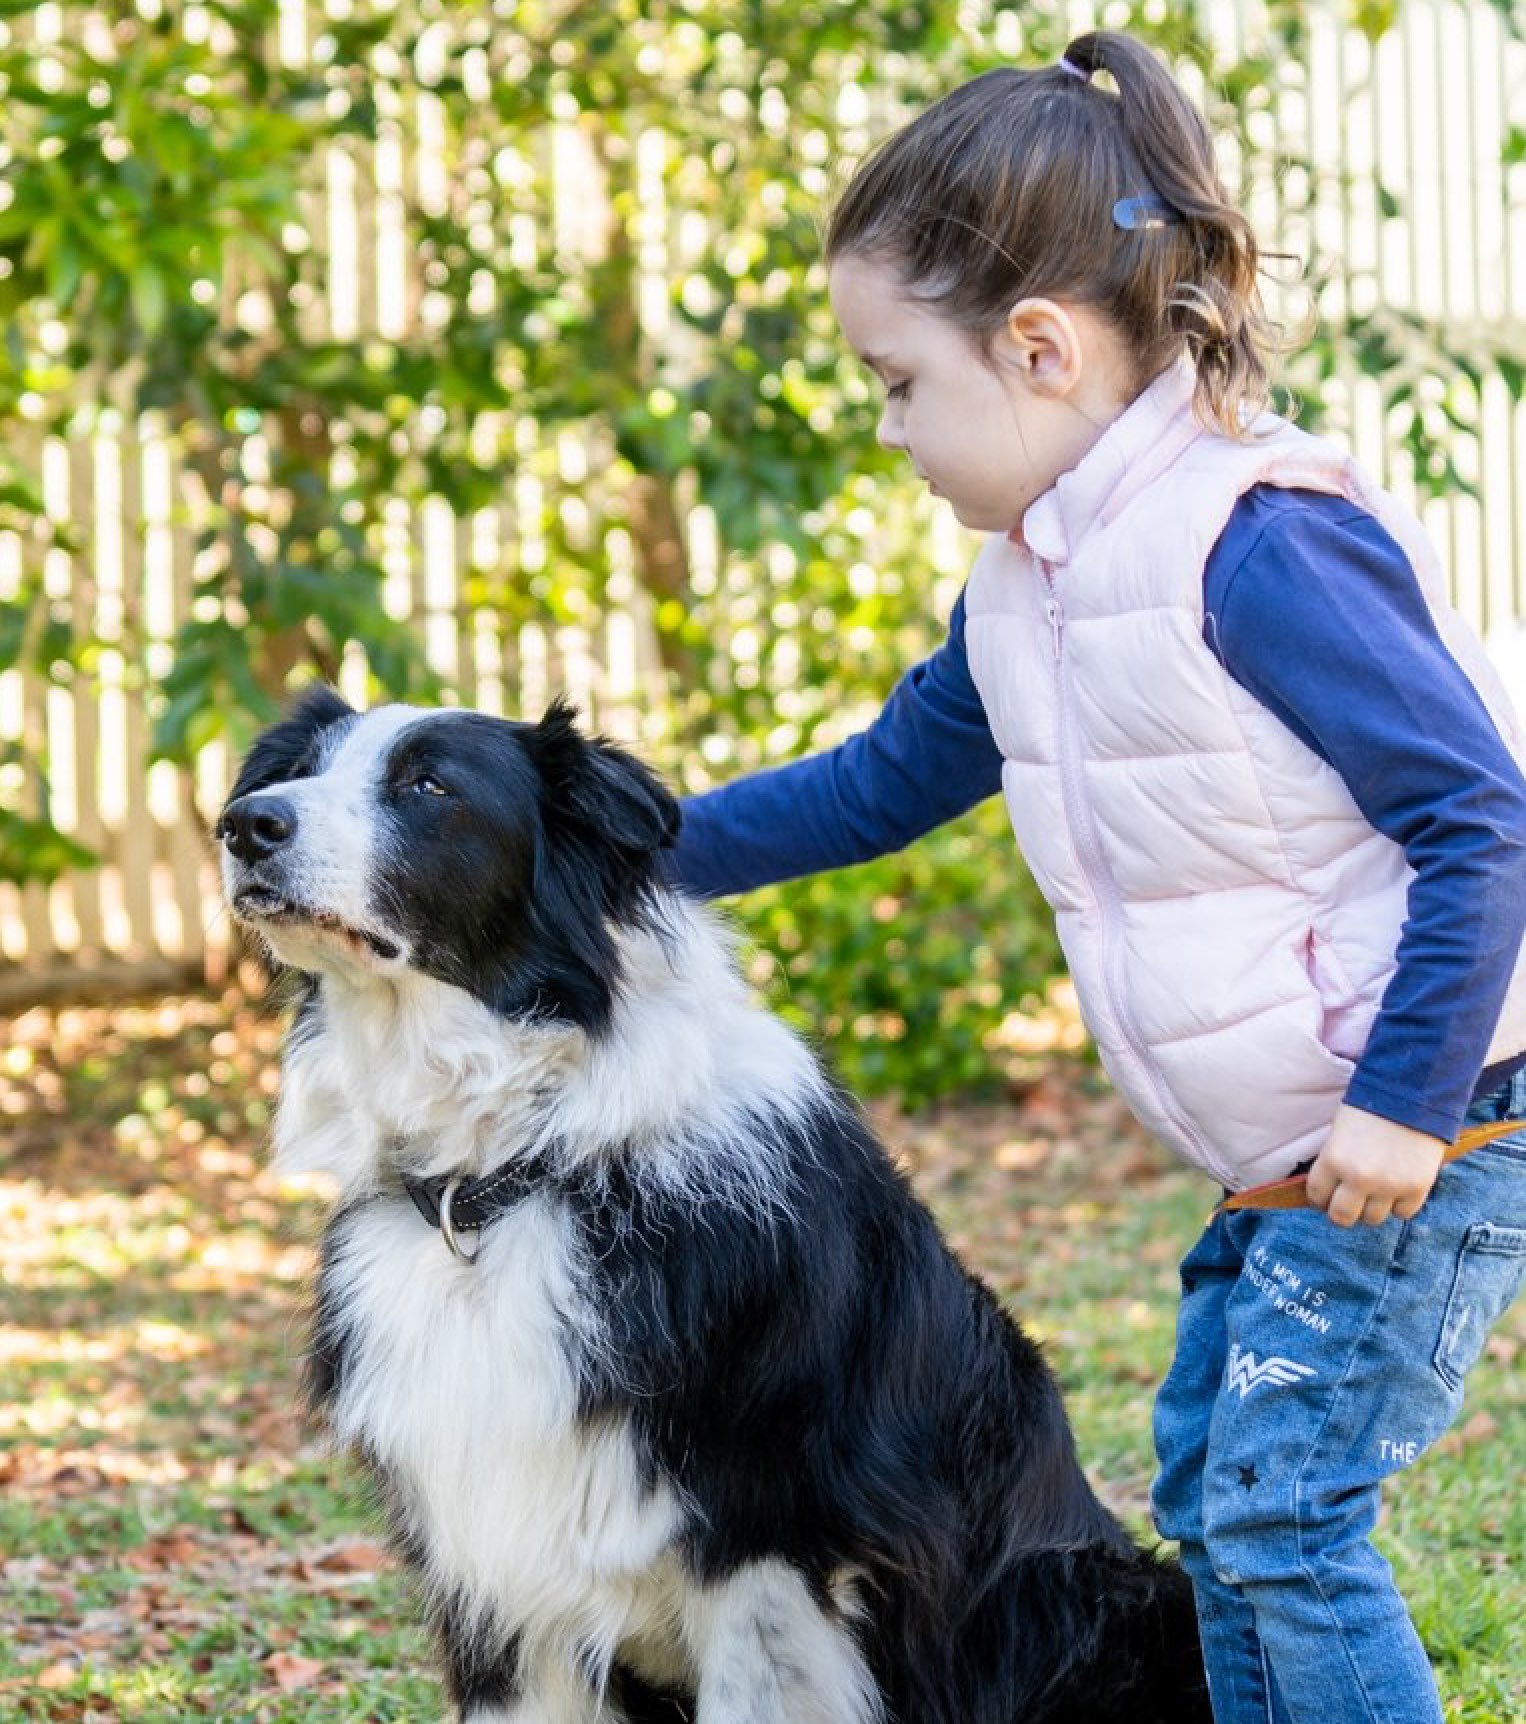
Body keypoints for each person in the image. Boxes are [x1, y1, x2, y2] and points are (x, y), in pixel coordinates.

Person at [664, 29, 1526, 1724]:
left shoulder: (1259, 545)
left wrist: (1402, 1104)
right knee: (1220, 1502)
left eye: (898, 382)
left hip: (1428, 1131)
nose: (891, 430)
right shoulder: (1029, 585)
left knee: (1283, 1513)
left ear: (1038, 347)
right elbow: (878, 785)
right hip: (1290, 1157)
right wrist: (617, 842)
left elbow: (1479, 819)